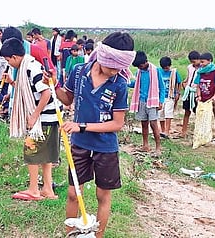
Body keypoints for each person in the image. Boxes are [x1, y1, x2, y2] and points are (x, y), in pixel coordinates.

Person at [54, 32, 136, 238]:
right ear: (102, 57)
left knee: (102, 195)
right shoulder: (79, 71)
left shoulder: (119, 84)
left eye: (120, 68)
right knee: (73, 193)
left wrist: (81, 126)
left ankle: (97, 235)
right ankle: (70, 234)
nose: (116, 71)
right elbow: (66, 99)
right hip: (80, 144)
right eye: (112, 66)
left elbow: (117, 124)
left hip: (105, 147)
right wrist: (53, 84)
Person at [0, 38, 59, 201]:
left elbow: (46, 92)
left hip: (44, 116)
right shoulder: (27, 67)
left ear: (14, 57)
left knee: (32, 151)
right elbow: (29, 90)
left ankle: (33, 189)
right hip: (50, 116)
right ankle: (47, 189)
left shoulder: (31, 68)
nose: (9, 64)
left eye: (7, 60)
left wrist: (34, 116)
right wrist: (12, 83)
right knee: (46, 155)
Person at [129, 51, 165, 156]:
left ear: (145, 62)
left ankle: (158, 147)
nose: (140, 68)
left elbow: (162, 87)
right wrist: (126, 83)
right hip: (142, 101)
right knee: (144, 124)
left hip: (153, 101)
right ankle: (145, 145)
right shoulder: (139, 73)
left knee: (154, 124)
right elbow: (135, 84)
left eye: (140, 66)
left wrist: (161, 101)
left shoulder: (156, 71)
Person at [193, 52, 215, 149]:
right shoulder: (200, 72)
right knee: (201, 119)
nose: (201, 64)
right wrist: (198, 96)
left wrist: (214, 97)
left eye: (203, 62)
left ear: (210, 61)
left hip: (212, 99)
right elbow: (198, 85)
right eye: (201, 62)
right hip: (202, 99)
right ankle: (201, 138)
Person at [157, 56, 181, 138]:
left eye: (167, 68)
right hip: (160, 96)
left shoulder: (174, 72)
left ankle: (167, 131)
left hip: (170, 96)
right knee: (161, 114)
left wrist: (177, 93)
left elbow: (178, 83)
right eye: (164, 68)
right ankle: (162, 130)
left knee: (168, 113)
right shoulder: (158, 71)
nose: (166, 69)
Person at [180, 50, 200, 138]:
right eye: (192, 62)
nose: (193, 63)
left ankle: (198, 132)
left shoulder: (202, 69)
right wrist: (184, 83)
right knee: (187, 112)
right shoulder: (189, 67)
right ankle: (183, 131)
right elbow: (188, 78)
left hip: (196, 93)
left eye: (195, 61)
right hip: (188, 91)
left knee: (198, 112)